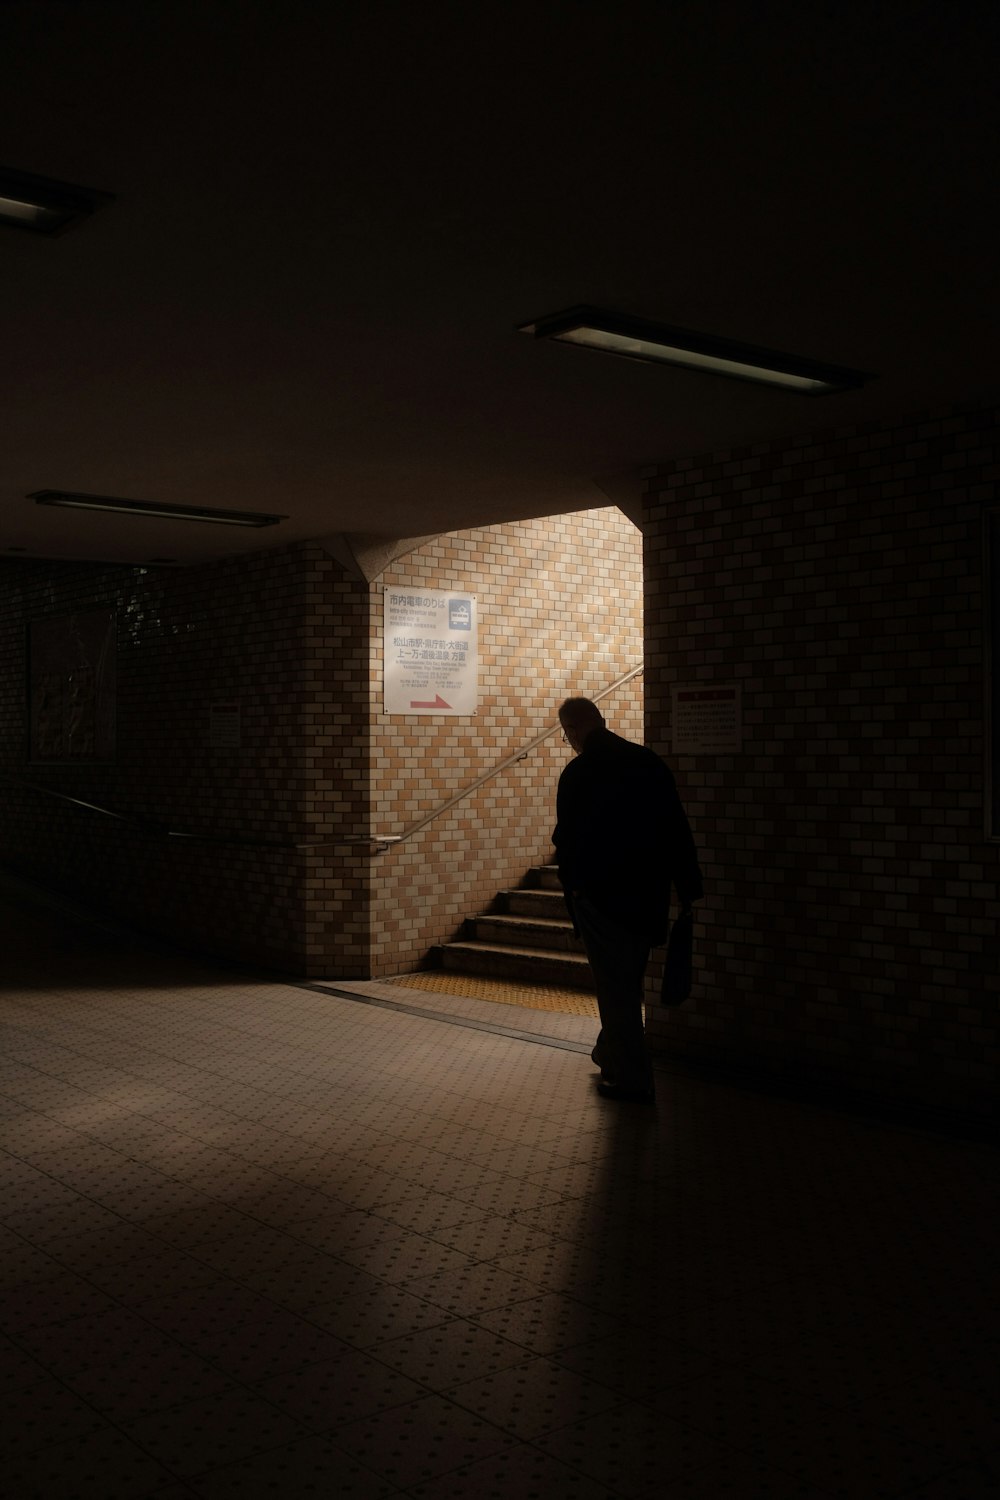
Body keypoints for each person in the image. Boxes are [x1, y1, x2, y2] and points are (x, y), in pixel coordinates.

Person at [553, 696, 703, 1103]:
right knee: (626, 981)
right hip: (647, 897)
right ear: (601, 720)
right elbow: (676, 828)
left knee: (615, 989)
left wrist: (574, 898)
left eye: (567, 733)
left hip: (601, 901)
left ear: (573, 729)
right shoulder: (647, 762)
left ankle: (632, 1078)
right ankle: (608, 1050)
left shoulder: (579, 773)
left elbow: (565, 845)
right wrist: (689, 889)